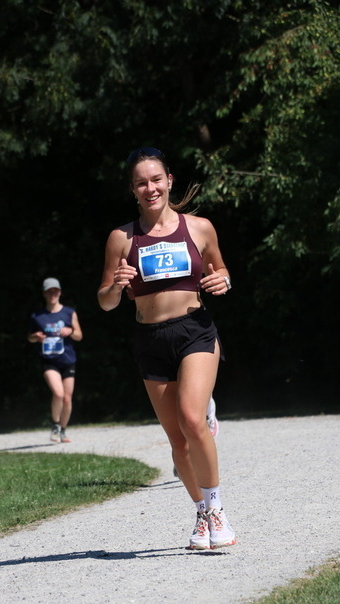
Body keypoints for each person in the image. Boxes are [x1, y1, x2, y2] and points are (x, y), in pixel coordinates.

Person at [97, 146, 235, 550]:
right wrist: (116, 286)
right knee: (178, 441)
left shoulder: (199, 228)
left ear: (169, 181)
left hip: (195, 330)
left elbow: (221, 270)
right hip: (150, 340)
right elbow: (105, 301)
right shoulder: (121, 238)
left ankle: (217, 510)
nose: (150, 188)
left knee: (192, 419)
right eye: (141, 183)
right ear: (133, 190)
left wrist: (224, 281)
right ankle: (201, 513)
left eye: (156, 179)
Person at [28, 277, 83, 443]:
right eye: (49, 291)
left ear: (60, 292)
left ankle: (63, 431)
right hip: (49, 361)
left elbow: (79, 336)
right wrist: (35, 337)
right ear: (44, 293)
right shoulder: (37, 316)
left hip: (68, 359)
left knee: (67, 398)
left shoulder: (69, 313)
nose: (53, 294)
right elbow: (30, 338)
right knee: (58, 393)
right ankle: (55, 425)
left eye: (55, 291)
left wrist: (70, 331)